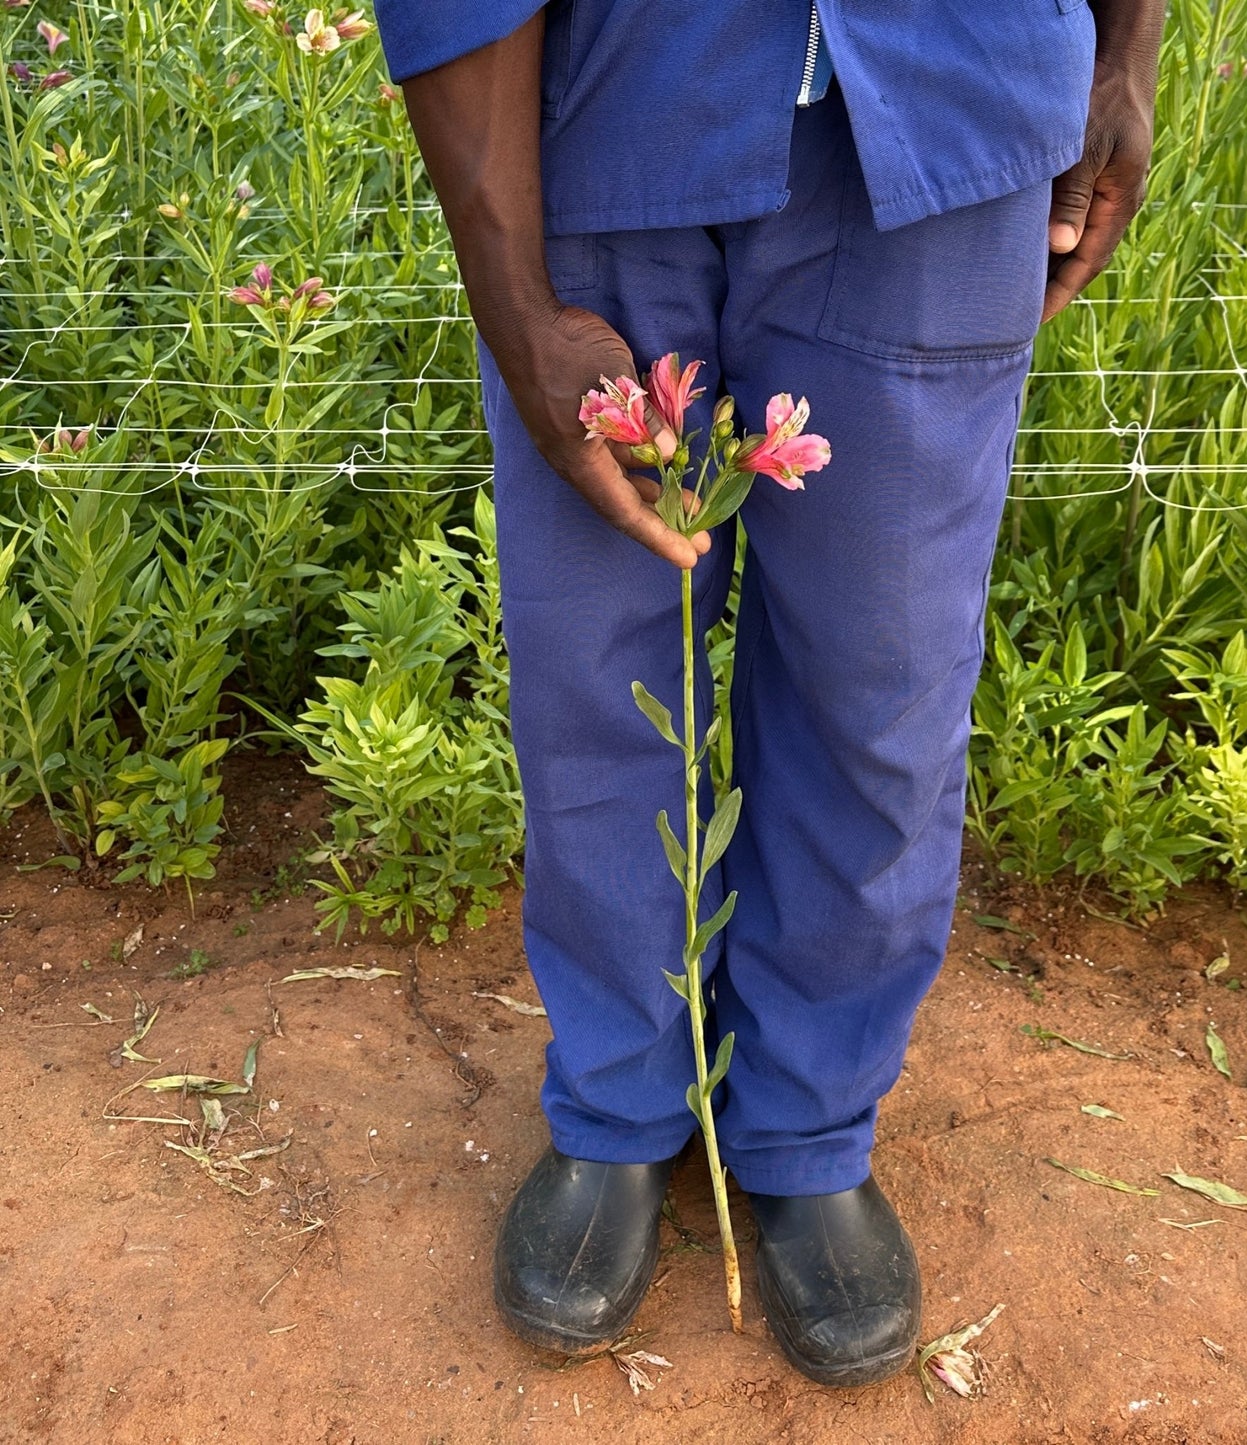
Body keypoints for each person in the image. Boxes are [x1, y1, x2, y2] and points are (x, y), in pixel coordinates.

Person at [373, 0, 1164, 1388]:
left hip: (947, 112)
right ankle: (618, 1103)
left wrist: (1120, 51)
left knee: (885, 683)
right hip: (603, 113)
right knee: (601, 676)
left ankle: (807, 1124)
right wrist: (510, 297)